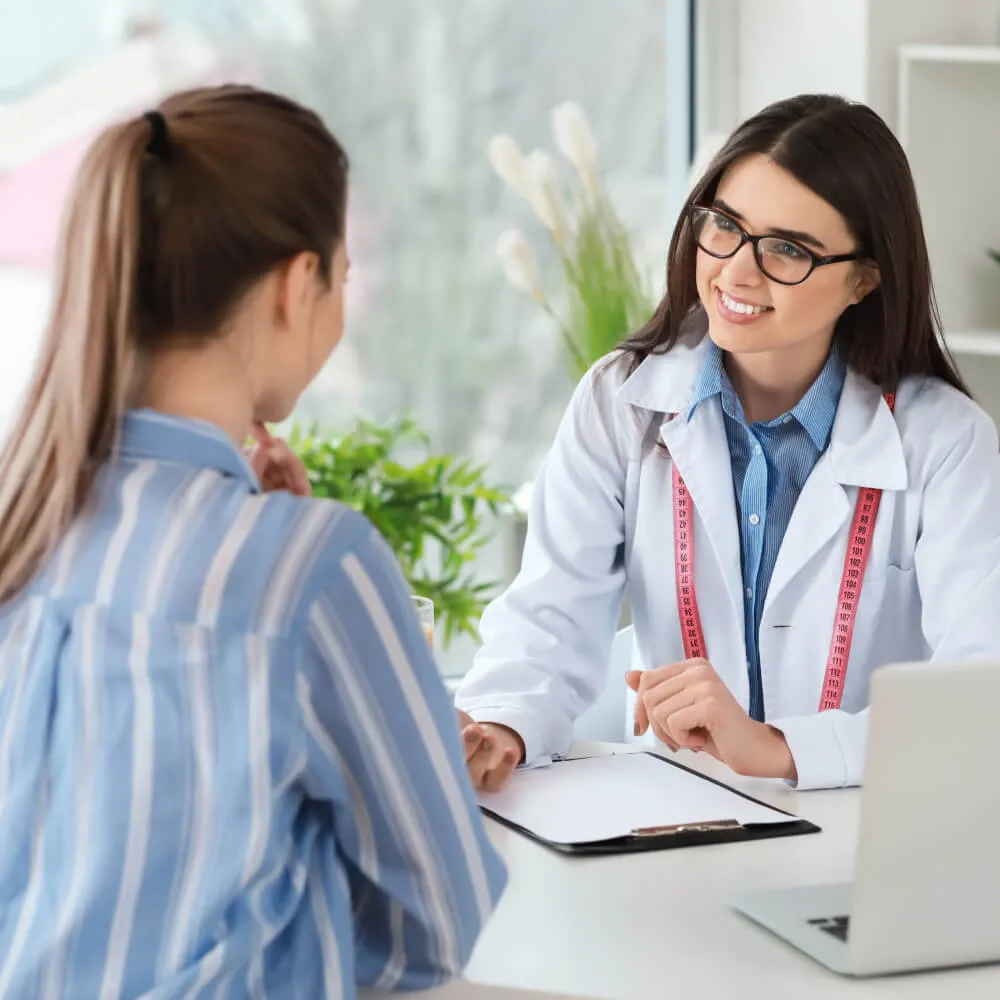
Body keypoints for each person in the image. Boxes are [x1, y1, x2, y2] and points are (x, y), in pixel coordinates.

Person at [0, 85, 505, 997]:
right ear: (295, 283)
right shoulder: (309, 566)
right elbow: (435, 928)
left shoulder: (23, 520)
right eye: (342, 281)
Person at [455, 93, 1000, 794]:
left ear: (865, 278)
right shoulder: (621, 399)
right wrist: (500, 727)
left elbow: (980, 696)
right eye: (725, 228)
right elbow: (549, 614)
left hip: (864, 833)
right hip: (675, 821)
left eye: (786, 250)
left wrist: (775, 748)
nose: (737, 271)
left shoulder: (944, 441)